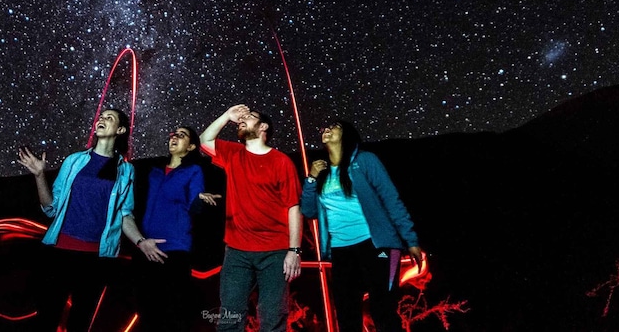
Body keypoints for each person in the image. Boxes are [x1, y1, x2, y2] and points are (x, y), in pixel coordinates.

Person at [17, 108, 135, 331]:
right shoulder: (74, 161)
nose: (101, 119)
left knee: (80, 322)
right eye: (101, 116)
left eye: (109, 118)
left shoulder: (126, 170)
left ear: (120, 130)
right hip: (60, 252)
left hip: (97, 259)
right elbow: (50, 208)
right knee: (46, 318)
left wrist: (141, 241)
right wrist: (40, 176)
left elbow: (125, 213)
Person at [301, 119, 423, 332]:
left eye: (334, 127)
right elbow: (309, 211)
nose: (326, 129)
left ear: (347, 135)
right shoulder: (323, 173)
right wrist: (311, 179)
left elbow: (391, 199)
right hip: (340, 251)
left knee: (382, 309)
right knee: (347, 313)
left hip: (375, 245)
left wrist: (411, 240)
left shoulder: (365, 160)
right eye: (324, 127)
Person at [200, 104, 303, 332]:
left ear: (263, 126)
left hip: (274, 252)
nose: (242, 119)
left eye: (249, 116)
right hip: (237, 252)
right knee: (230, 317)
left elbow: (293, 208)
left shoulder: (281, 161)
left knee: (273, 317)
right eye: (241, 118)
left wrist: (294, 250)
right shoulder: (233, 153)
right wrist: (227, 115)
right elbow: (204, 140)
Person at [122, 125, 221, 332]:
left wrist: (200, 199)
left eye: (181, 135)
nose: (174, 137)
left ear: (191, 146)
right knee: (146, 310)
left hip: (174, 250)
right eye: (173, 134)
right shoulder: (153, 172)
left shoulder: (193, 171)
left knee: (172, 310)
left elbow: (195, 200)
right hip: (145, 248)